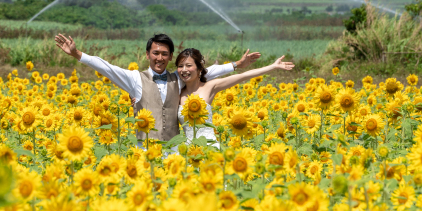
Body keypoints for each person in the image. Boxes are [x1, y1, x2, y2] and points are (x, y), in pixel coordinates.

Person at [54, 32, 262, 142]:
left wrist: (235, 65)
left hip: (174, 149)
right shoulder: (134, 78)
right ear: (147, 55)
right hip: (144, 148)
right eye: (155, 53)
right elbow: (107, 68)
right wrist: (78, 55)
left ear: (171, 57)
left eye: (164, 54)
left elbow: (206, 72)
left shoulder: (178, 78)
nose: (159, 58)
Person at [175, 47, 294, 147]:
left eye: (188, 65)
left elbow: (243, 76)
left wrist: (273, 66)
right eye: (180, 66)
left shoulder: (210, 86)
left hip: (209, 147)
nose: (184, 70)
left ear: (199, 68)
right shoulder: (177, 92)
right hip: (189, 151)